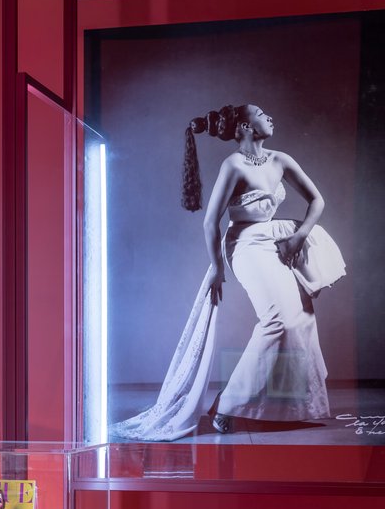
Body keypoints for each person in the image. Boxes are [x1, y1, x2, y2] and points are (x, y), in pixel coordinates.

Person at [111, 104, 344, 441]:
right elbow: (211, 222)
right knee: (278, 320)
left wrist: (298, 237)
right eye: (262, 114)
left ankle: (284, 409)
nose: (270, 117)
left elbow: (317, 200)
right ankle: (228, 404)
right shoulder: (233, 164)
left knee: (302, 319)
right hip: (245, 245)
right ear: (246, 128)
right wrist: (217, 268)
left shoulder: (281, 160)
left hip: (276, 241)